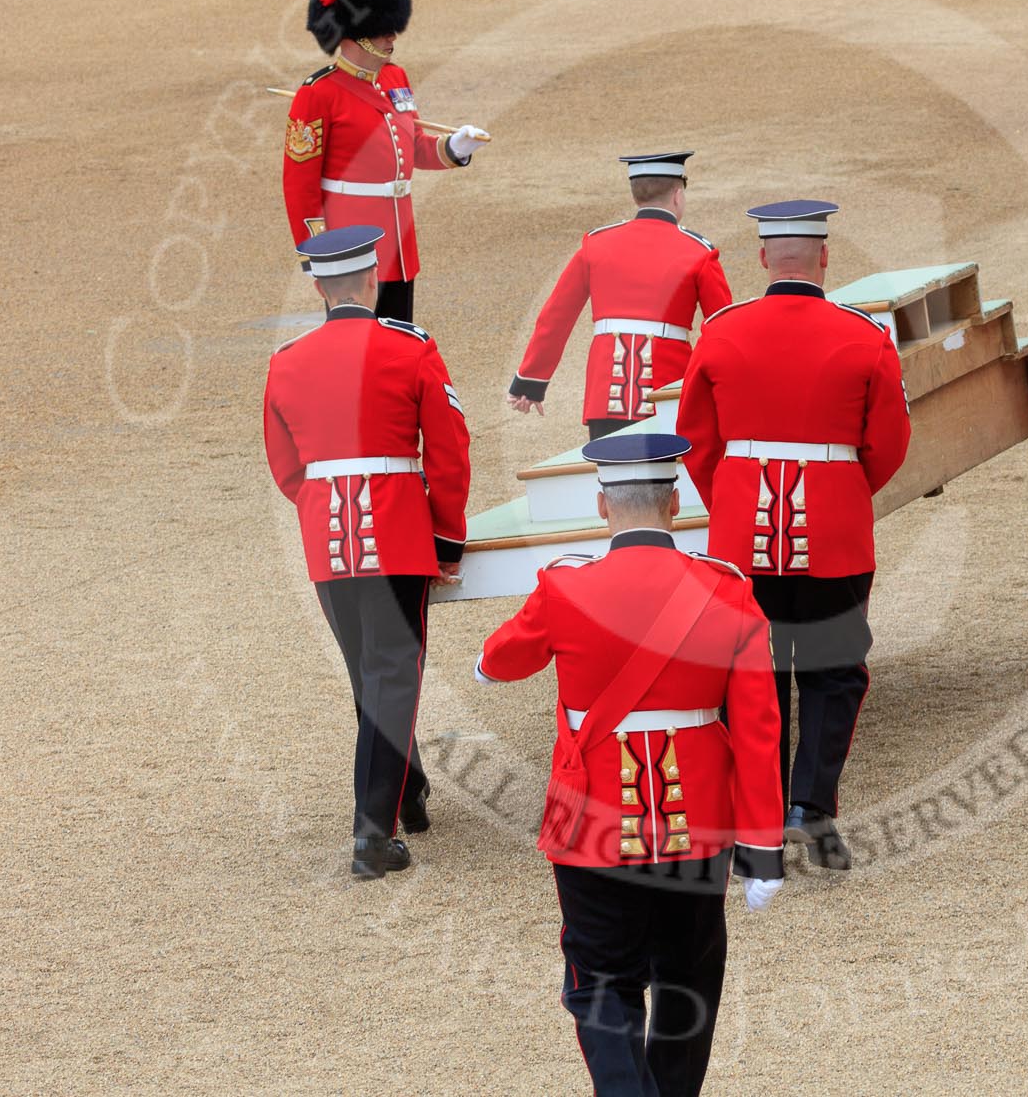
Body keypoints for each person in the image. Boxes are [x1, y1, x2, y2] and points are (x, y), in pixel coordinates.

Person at [476, 433, 784, 1097]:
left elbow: (504, 656)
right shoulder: (725, 589)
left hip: (592, 823)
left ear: (602, 504)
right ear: (675, 504)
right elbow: (759, 727)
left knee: (600, 985)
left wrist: (484, 666)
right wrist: (763, 846)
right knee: (688, 981)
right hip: (697, 819)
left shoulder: (564, 587)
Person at [676, 201, 911, 870]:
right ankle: (811, 806)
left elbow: (695, 439)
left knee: (754, 680)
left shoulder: (722, 331)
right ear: (824, 257)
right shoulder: (862, 335)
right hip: (834, 530)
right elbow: (889, 442)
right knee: (834, 674)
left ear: (762, 259)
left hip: (743, 533)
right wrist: (842, 492)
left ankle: (760, 833)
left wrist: (729, 502)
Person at [262, 226, 471, 878]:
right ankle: (371, 835)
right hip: (399, 534)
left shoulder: (287, 361)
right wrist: (446, 534)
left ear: (320, 287)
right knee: (389, 676)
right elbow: (448, 448)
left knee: (369, 675)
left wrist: (321, 507)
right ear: (373, 280)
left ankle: (405, 794)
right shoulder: (409, 348)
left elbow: (286, 467)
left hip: (328, 538)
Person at [281, 0, 491, 322]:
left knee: (400, 343)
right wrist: (320, 253)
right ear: (354, 32)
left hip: (399, 237)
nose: (391, 36)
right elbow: (300, 184)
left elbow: (410, 148)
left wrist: (455, 148)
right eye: (381, 31)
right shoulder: (318, 94)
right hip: (352, 242)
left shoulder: (395, 78)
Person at [506, 151, 734, 440]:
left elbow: (556, 317)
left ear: (636, 195)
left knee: (612, 480)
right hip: (670, 389)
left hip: (606, 394)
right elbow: (723, 330)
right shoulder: (699, 251)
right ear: (677, 195)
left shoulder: (596, 244)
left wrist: (531, 381)